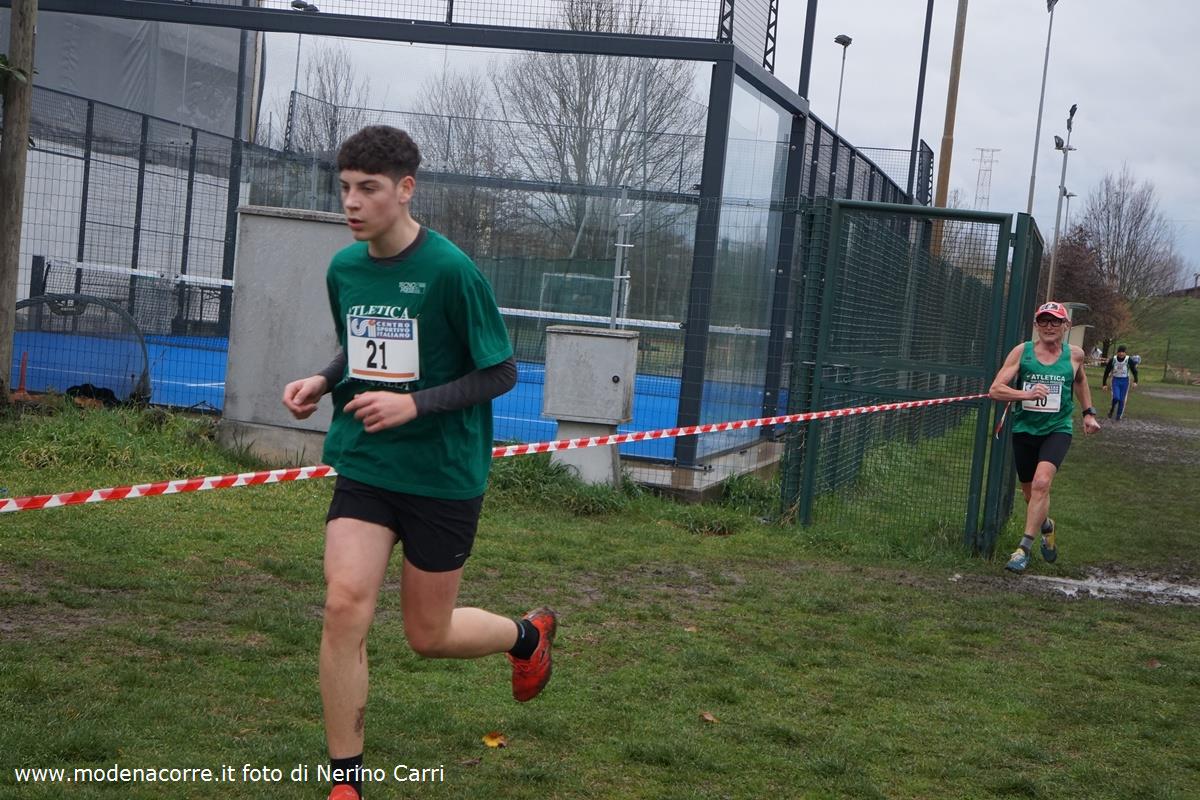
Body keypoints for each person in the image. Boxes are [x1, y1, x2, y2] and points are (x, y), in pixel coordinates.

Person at [281, 125, 556, 800]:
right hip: (368, 461)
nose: (352, 202)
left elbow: (501, 372)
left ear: (405, 189)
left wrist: (416, 404)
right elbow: (360, 347)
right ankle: (347, 780)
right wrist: (323, 378)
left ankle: (525, 636)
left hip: (442, 474)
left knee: (427, 635)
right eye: (345, 188)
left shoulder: (452, 271)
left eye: (368, 189)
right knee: (344, 604)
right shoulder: (344, 269)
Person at [988, 301, 1101, 573]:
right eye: (1043, 321)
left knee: (1041, 483)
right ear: (1036, 325)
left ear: (1066, 326)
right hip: (1025, 430)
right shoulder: (1022, 352)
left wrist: (1088, 412)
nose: (1049, 326)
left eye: (1055, 321)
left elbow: (1080, 380)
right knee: (1031, 495)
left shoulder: (1074, 355)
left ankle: (1023, 549)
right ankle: (1047, 526)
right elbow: (995, 390)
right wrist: (1025, 394)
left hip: (1057, 429)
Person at [1101, 344, 1139, 420]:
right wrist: (1104, 384)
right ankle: (1112, 409)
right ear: (1117, 352)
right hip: (1115, 380)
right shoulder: (1113, 360)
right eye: (1120, 352)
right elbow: (1106, 372)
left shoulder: (1128, 360)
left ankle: (1118, 416)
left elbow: (1134, 371)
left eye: (1123, 352)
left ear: (1125, 353)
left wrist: (1135, 381)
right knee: (1116, 397)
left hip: (1125, 381)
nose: (1121, 353)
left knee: (1122, 400)